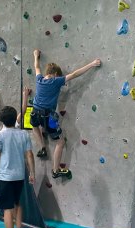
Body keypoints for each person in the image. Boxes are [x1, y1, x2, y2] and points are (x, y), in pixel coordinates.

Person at [31, 49, 101, 178]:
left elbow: (36, 66)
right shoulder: (56, 81)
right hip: (47, 116)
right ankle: (56, 170)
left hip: (34, 112)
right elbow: (74, 74)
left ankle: (42, 148)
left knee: (34, 126)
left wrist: (36, 55)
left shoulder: (39, 79)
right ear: (56, 74)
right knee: (60, 142)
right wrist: (92, 64)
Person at [0, 106, 35, 228]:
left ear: (1, 121)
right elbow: (29, 155)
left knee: (7, 209)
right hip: (19, 176)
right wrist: (32, 173)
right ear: (15, 117)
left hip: (6, 177)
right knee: (17, 203)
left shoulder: (1, 135)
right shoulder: (24, 134)